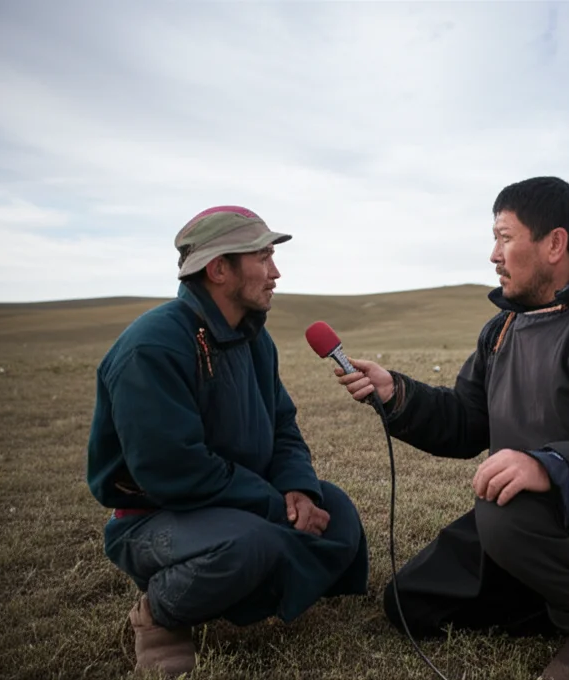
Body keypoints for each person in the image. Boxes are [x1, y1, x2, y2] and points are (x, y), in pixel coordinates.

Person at [336, 177, 569, 680]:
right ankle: (557, 598)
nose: (493, 254)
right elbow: (467, 422)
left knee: (503, 513)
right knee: (409, 603)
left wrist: (548, 466)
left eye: (505, 238)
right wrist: (397, 393)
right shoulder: (504, 328)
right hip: (537, 520)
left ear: (554, 243)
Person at [86, 206, 369, 677]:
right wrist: (275, 506)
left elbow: (283, 425)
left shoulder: (255, 340)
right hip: (158, 519)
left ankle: (269, 575)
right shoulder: (153, 346)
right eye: (262, 257)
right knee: (250, 543)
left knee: (334, 509)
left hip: (235, 504)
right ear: (219, 269)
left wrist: (298, 488)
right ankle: (159, 612)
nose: (276, 272)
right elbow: (173, 469)